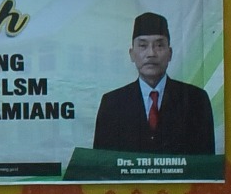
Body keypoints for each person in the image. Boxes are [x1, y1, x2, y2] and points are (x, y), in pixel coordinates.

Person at [92, 11, 215, 155]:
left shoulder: (195, 99)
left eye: (159, 45)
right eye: (143, 46)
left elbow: (205, 162)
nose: (151, 53)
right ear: (132, 54)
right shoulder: (112, 103)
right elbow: (102, 162)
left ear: (170, 53)